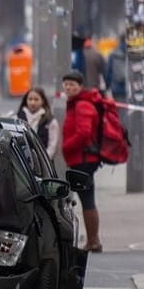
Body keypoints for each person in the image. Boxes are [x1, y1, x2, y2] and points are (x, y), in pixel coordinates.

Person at [59, 71, 107, 252]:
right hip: (82, 158)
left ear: (80, 86)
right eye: (66, 84)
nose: (69, 88)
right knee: (86, 199)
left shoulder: (81, 106)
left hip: (84, 159)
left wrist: (66, 147)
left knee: (87, 200)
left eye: (73, 85)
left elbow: (83, 133)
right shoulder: (75, 104)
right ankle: (92, 239)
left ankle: (93, 240)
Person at [17, 87, 59, 161]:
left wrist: (43, 161)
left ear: (43, 101)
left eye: (36, 99)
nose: (33, 102)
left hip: (44, 163)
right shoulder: (17, 118)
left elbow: (52, 146)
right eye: (30, 99)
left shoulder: (50, 121)